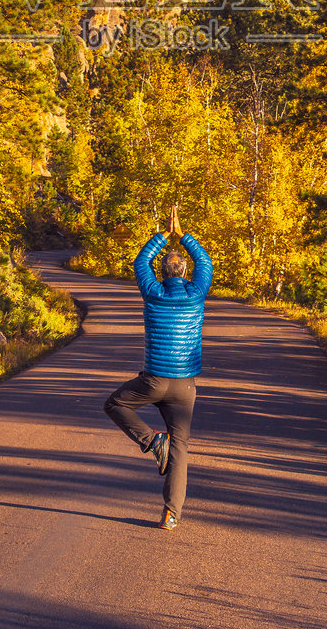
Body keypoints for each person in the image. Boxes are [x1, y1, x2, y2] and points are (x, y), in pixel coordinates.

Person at [103, 205, 213, 530]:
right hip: (185, 386)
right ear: (184, 273)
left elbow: (140, 262)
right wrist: (182, 234)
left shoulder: (152, 293)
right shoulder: (196, 293)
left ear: (162, 272)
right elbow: (205, 261)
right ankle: (171, 513)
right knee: (181, 446)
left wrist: (162, 235)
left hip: (153, 379)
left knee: (114, 404)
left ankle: (152, 442)